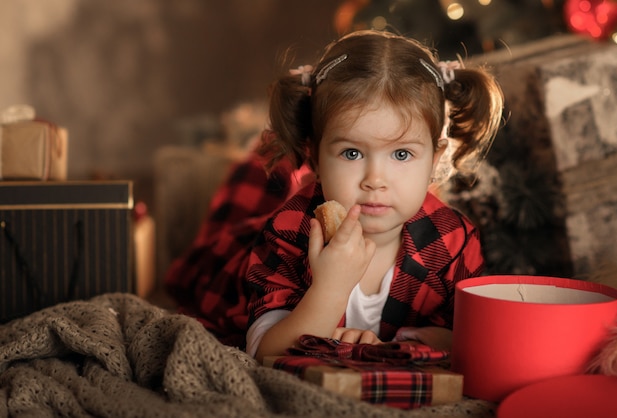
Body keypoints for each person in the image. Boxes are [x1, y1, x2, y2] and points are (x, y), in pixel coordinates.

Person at [165, 29, 504, 361]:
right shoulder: (289, 231)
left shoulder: (453, 241)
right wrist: (331, 288)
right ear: (313, 155)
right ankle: (256, 165)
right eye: (352, 153)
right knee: (239, 207)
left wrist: (406, 341)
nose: (375, 180)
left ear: (435, 157)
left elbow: (466, 338)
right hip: (230, 266)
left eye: (401, 154)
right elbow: (267, 351)